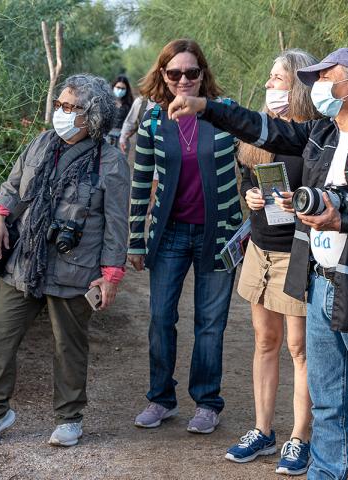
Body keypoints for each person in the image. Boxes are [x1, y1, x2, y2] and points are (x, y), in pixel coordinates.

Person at [168, 47, 348, 479]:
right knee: (326, 402)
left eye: (326, 76)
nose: (317, 85)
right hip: (320, 284)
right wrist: (205, 107)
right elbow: (262, 128)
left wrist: (343, 219)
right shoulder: (321, 134)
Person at [0, 74, 130, 447]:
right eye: (59, 104)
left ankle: (69, 417)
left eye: (69, 106)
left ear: (91, 115)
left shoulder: (110, 161)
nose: (59, 112)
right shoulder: (42, 143)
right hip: (24, 261)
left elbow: (116, 225)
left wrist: (110, 275)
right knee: (0, 336)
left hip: (76, 267)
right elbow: (12, 187)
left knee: (68, 345)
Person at [128, 38, 242, 435]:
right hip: (170, 234)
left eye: (191, 72)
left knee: (210, 323)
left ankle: (207, 403)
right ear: (163, 75)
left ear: (202, 74)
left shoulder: (224, 115)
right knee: (161, 318)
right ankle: (161, 399)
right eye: (174, 73)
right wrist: (135, 240)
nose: (183, 80)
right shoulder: (154, 121)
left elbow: (254, 163)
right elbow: (141, 182)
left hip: (218, 234)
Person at [224, 49, 319, 476]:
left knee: (300, 350)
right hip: (260, 247)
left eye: (277, 79)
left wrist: (297, 203)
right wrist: (251, 196)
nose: (268, 86)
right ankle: (263, 431)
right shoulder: (260, 133)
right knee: (265, 343)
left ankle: (301, 438)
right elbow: (247, 175)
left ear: (298, 84)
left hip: (298, 252)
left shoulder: (317, 135)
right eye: (269, 78)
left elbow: (324, 193)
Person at [107, 75, 134, 149]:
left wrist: (131, 132)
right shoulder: (106, 102)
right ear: (113, 87)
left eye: (123, 88)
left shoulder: (130, 104)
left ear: (126, 90)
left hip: (122, 139)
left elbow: (135, 121)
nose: (120, 90)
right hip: (106, 138)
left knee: (121, 159)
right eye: (118, 87)